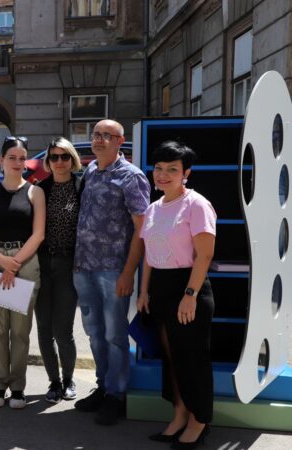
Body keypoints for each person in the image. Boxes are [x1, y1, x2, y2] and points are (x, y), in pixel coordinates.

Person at [137, 141, 216, 448]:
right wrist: (144, 291)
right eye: (159, 168)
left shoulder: (196, 204)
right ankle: (180, 414)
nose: (163, 174)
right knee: (171, 358)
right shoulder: (153, 207)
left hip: (188, 287)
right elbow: (149, 253)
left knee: (192, 358)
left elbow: (205, 255)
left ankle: (199, 420)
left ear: (186, 173)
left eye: (172, 169)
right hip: (160, 289)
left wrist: (190, 294)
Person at [73, 119, 151, 425]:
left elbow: (141, 231)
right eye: (96, 135)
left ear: (120, 142)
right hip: (84, 268)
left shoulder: (132, 177)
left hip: (112, 270)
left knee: (115, 335)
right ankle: (103, 386)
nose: (100, 140)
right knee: (94, 334)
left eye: (107, 136)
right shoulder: (91, 171)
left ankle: (117, 396)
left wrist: (128, 272)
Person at [0, 136, 45, 408]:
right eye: (12, 157)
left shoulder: (34, 192)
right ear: (1, 160)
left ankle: (17, 387)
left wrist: (14, 263)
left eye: (22, 158)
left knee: (19, 331)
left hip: (25, 262)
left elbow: (38, 234)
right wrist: (1, 262)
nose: (18, 163)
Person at [36, 137, 83, 403]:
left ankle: (68, 379)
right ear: (48, 161)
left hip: (69, 265)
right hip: (42, 265)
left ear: (72, 159)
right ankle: (53, 381)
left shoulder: (82, 187)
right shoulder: (40, 189)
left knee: (63, 329)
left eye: (64, 156)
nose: (59, 162)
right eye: (54, 157)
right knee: (43, 327)